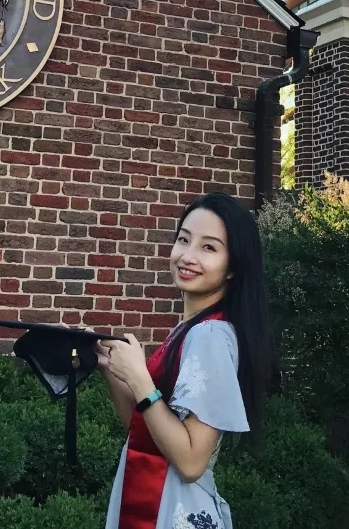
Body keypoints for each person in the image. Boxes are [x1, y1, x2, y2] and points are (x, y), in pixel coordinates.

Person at [97, 192, 270, 529]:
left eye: (209, 247)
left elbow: (191, 462)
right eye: (184, 240)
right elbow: (146, 429)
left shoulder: (210, 336)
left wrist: (140, 379)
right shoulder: (188, 330)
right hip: (155, 496)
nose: (188, 256)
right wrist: (111, 369)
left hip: (175, 509)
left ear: (234, 266)